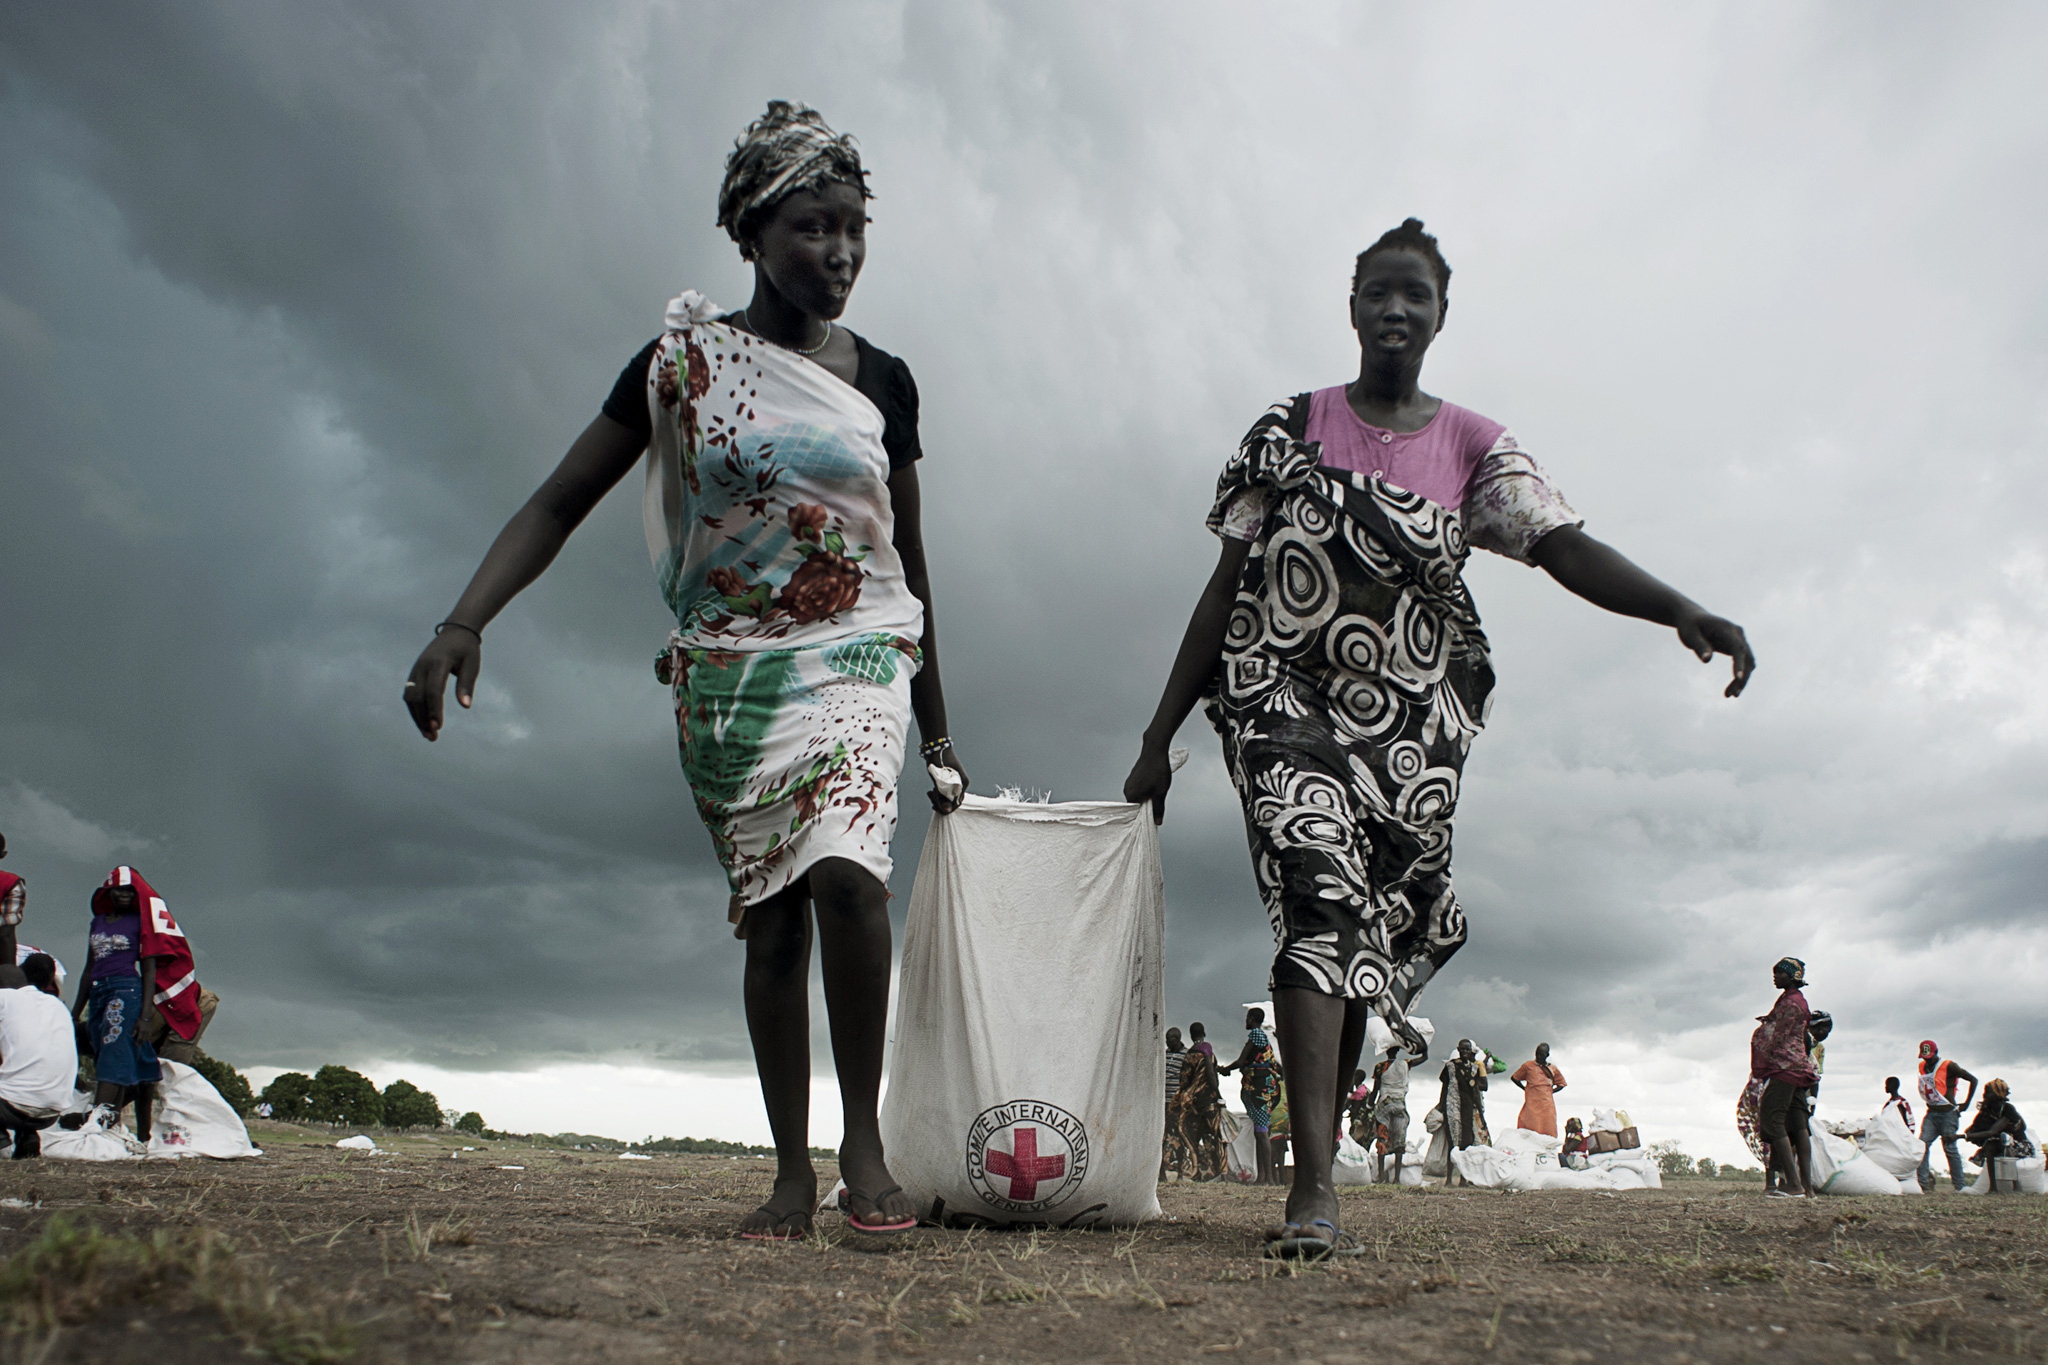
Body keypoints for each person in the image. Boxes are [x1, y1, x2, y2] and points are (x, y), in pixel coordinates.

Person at [1123, 217, 1754, 1257]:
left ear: (1439, 314)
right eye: (1379, 290)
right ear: (1352, 305)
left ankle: (1321, 1164)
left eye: (1416, 294)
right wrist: (1157, 734)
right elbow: (1224, 587)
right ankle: (1313, 1186)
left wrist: (1677, 609)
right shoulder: (1287, 426)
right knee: (1316, 898)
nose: (1395, 308)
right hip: (1282, 700)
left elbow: (1560, 546)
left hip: (1407, 735)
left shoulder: (1471, 446)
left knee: (1357, 933)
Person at [402, 103, 964, 1240]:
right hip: (730, 666)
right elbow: (559, 499)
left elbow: (907, 560)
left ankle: (862, 1146)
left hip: (857, 647)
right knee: (771, 919)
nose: (841, 252)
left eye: (855, 228)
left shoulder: (886, 381)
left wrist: (939, 731)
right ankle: (789, 1175)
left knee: (851, 876)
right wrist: (464, 620)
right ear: (749, 233)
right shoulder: (682, 367)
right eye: (813, 226)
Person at [71, 867, 201, 1143]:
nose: (123, 895)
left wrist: (144, 1017)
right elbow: (88, 968)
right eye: (118, 889)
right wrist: (74, 1011)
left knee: (114, 1050)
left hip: (125, 990)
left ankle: (98, 1123)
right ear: (108, 891)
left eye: (130, 891)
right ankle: (112, 1124)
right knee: (105, 1050)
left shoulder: (142, 924)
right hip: (97, 992)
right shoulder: (98, 923)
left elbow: (149, 970)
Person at [1749, 956, 1816, 1198]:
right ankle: (1807, 1188)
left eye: (1780, 973)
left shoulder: (1790, 1004)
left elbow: (1778, 1036)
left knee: (1772, 1119)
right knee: (1798, 1125)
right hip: (1799, 1068)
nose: (1775, 977)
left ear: (1792, 976)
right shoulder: (1796, 1001)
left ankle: (1794, 1185)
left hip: (1785, 1068)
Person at [0, 954, 77, 1159]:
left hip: (12, 1107)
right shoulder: (58, 1006)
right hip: (51, 1112)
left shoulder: (5, 998)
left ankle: (1, 1142)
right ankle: (28, 1137)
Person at [1217, 1007, 1282, 1184]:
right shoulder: (1264, 1039)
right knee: (1260, 1132)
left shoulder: (1256, 1034)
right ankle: (1264, 1177)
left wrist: (1222, 1069)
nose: (1246, 1020)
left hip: (1260, 1089)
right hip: (1265, 1088)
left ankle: (1268, 1178)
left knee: (1261, 1133)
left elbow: (1240, 1061)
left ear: (1253, 1019)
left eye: (1247, 1017)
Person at [1915, 1039, 1978, 1193]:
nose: (1927, 1059)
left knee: (1949, 1148)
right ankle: (1924, 1186)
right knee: (1922, 1145)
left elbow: (1973, 1080)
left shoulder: (1949, 1065)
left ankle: (1959, 1186)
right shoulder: (1922, 1066)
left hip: (1948, 1113)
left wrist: (1966, 1103)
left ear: (1936, 1052)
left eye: (1930, 1056)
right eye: (1924, 1057)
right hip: (1931, 1113)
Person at [1167, 1028, 1227, 1181]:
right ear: (1204, 1033)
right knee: (1214, 1137)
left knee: (1192, 1137)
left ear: (1191, 1035)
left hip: (1191, 1102)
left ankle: (1195, 1172)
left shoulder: (1188, 1056)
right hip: (1209, 1102)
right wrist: (1219, 1096)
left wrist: (1177, 1102)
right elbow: (1212, 1077)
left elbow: (1184, 1081)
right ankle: (1220, 1173)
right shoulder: (1208, 1053)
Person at [1962, 1080, 2034, 1191]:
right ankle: (1993, 1187)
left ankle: (2016, 1186)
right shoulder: (1988, 1110)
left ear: (1997, 1094)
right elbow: (1975, 1126)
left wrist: (1960, 1137)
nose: (1984, 1095)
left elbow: (1991, 1131)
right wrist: (1969, 1132)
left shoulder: (2007, 1109)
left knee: (2004, 1140)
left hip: (2019, 1145)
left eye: (1988, 1092)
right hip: (1999, 1141)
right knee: (1992, 1144)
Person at [1371, 1043, 1413, 1184]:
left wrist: (1369, 1105)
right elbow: (1424, 1058)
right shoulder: (1405, 1065)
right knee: (1399, 1143)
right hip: (1400, 1105)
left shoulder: (1380, 1067)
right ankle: (1396, 1178)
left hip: (1384, 1105)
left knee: (1382, 1139)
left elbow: (1376, 1089)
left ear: (1386, 1051)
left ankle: (1381, 1176)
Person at [1510, 1043, 1566, 1137]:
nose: (1538, 1056)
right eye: (1537, 1054)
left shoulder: (1552, 1068)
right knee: (1530, 1127)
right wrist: (1525, 1089)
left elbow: (1561, 1083)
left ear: (1547, 1055)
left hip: (1547, 1104)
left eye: (1541, 1054)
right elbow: (1515, 1078)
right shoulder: (1528, 1066)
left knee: (1548, 1127)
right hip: (1532, 1102)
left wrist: (1551, 1092)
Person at [1160, 1028, 1186, 1177]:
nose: (1166, 1042)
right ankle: (1162, 1172)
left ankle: (1181, 1171)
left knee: (1178, 1136)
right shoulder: (1165, 1054)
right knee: (1163, 1137)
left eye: (1169, 1039)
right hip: (1163, 1102)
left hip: (1177, 1103)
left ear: (1176, 1039)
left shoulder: (1186, 1055)